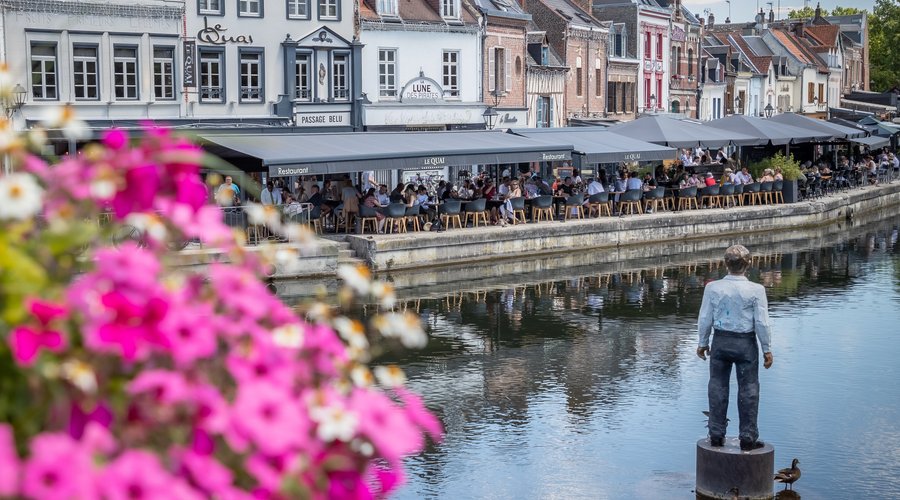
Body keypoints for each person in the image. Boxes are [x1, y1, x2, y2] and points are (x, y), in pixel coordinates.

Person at [697, 245, 773, 451]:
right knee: (749, 389)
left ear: (725, 264)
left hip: (720, 341)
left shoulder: (712, 288)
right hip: (745, 343)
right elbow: (762, 322)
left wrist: (703, 342)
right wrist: (766, 348)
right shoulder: (757, 290)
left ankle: (715, 434)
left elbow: (705, 318)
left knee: (717, 386)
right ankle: (748, 437)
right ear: (748, 264)